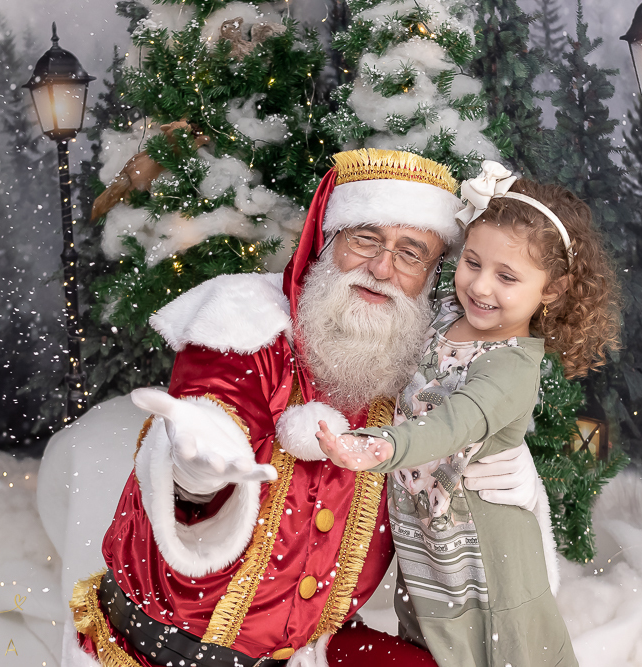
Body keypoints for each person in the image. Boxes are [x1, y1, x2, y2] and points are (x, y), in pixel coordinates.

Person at [67, 150, 555, 667]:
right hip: (156, 653)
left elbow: (465, 420)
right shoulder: (248, 323)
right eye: (364, 238)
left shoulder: (413, 363)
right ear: (328, 239)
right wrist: (195, 468)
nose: (382, 267)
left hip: (305, 652)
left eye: (411, 253)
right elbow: (216, 403)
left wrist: (512, 473)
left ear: (432, 275)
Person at [317, 162, 621, 666]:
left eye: (507, 276)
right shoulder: (444, 318)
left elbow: (453, 422)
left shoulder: (512, 366)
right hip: (429, 541)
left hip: (483, 555)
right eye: (472, 263)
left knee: (493, 650)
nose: (480, 287)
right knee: (425, 645)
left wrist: (381, 445)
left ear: (553, 290)